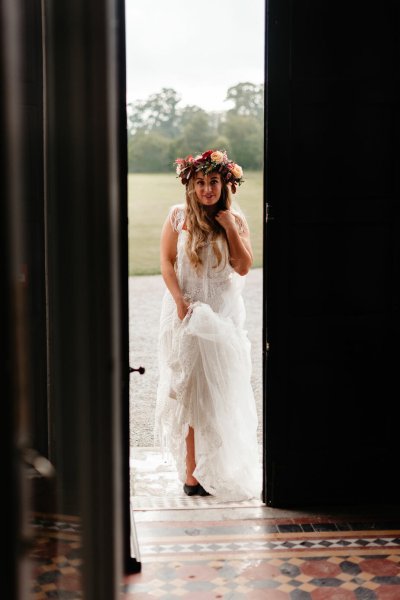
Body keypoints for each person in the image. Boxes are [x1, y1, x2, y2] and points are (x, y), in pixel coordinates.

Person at [154, 149, 260, 501]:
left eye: (213, 182)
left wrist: (229, 226)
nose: (207, 189)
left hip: (221, 320)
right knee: (189, 392)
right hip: (185, 316)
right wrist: (180, 301)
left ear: (224, 183)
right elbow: (167, 263)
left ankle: (216, 466)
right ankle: (191, 472)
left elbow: (243, 267)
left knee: (217, 393)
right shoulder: (177, 217)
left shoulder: (235, 220)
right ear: (191, 185)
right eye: (200, 182)